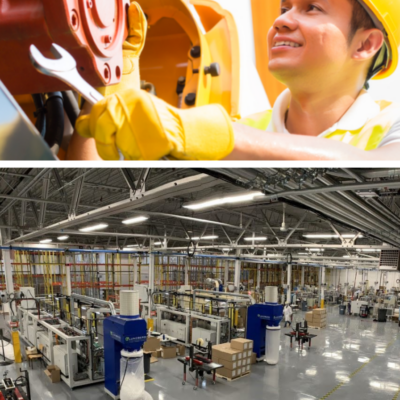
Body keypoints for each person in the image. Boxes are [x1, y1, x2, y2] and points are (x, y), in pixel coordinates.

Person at [71, 0, 400, 161]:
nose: (282, 20)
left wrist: (222, 138)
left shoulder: (390, 125)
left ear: (365, 44)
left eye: (311, 8)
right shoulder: (244, 126)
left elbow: (376, 165)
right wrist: (111, 73)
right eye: (284, 7)